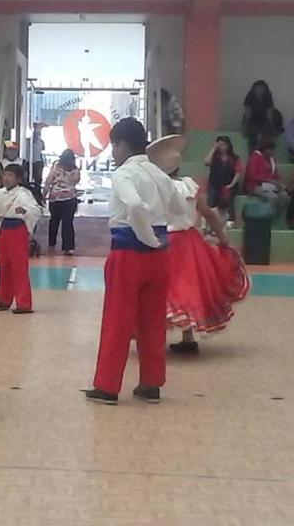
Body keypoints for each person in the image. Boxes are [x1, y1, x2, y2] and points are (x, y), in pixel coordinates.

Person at [85, 118, 184, 406]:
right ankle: (151, 383)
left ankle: (107, 386)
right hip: (159, 258)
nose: (113, 152)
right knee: (153, 320)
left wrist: (147, 237)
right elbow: (179, 208)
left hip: (129, 253)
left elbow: (134, 205)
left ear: (123, 144)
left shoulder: (123, 174)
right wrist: (159, 236)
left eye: (113, 145)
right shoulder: (160, 174)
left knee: (118, 319)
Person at [147, 135, 250, 355]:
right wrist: (222, 237)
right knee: (189, 286)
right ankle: (188, 338)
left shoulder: (156, 188)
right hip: (189, 241)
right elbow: (209, 214)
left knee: (161, 288)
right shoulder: (189, 185)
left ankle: (154, 336)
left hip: (164, 241)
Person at [0, 163, 42, 314]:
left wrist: (25, 211)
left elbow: (36, 210)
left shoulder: (24, 194)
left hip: (18, 230)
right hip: (3, 229)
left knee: (19, 266)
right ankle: (4, 299)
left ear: (18, 179)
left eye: (10, 176)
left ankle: (24, 303)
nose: (6, 178)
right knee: (4, 265)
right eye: (5, 175)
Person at [45, 149, 81, 256]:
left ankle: (51, 243)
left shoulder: (56, 167)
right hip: (70, 199)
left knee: (54, 221)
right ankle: (68, 247)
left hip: (55, 198)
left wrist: (44, 194)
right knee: (67, 223)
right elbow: (76, 181)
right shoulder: (75, 170)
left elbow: (48, 181)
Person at [245, 139, 290, 216]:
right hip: (255, 186)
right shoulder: (255, 157)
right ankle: (267, 217)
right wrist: (268, 180)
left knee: (284, 195)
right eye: (271, 150)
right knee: (272, 197)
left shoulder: (271, 159)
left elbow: (275, 174)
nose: (273, 152)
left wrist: (279, 183)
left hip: (270, 186)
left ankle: (275, 216)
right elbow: (252, 175)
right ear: (265, 149)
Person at [205, 136, 243, 223]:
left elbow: (238, 172)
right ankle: (209, 221)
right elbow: (206, 162)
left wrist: (231, 184)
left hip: (228, 184)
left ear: (228, 145)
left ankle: (230, 221)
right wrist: (213, 148)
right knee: (211, 200)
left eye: (223, 145)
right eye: (219, 145)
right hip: (214, 184)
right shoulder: (214, 156)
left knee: (228, 200)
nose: (221, 147)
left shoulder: (235, 158)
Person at [243, 80, 276, 150]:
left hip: (264, 120)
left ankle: (265, 150)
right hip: (252, 120)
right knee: (253, 133)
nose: (259, 91)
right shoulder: (250, 96)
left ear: (265, 90)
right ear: (254, 90)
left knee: (266, 132)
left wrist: (272, 128)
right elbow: (247, 114)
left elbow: (269, 114)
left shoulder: (268, 96)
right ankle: (253, 151)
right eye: (257, 89)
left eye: (261, 89)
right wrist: (245, 128)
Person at [27, 122, 46, 192]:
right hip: (31, 161)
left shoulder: (41, 142)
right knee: (29, 179)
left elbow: (42, 149)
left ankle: (37, 193)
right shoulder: (29, 141)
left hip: (38, 162)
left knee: (38, 180)